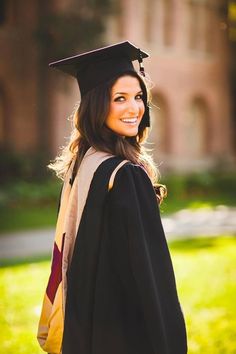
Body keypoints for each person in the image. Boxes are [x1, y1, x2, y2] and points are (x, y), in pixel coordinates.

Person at [37, 41, 187, 354]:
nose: (134, 108)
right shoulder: (125, 175)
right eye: (119, 98)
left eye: (138, 97)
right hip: (126, 334)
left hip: (90, 324)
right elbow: (149, 276)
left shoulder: (87, 160)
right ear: (96, 104)